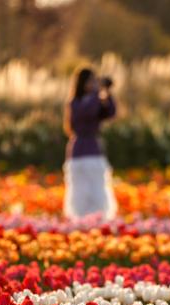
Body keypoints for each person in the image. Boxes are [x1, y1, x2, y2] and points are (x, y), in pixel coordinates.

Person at [63, 67, 117, 220]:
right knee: (80, 188)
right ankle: (80, 218)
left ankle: (99, 217)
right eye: (91, 81)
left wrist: (107, 92)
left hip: (94, 150)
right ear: (82, 83)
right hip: (79, 150)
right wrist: (97, 93)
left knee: (97, 186)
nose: (94, 84)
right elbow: (88, 112)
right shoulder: (75, 102)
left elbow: (110, 112)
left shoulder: (95, 100)